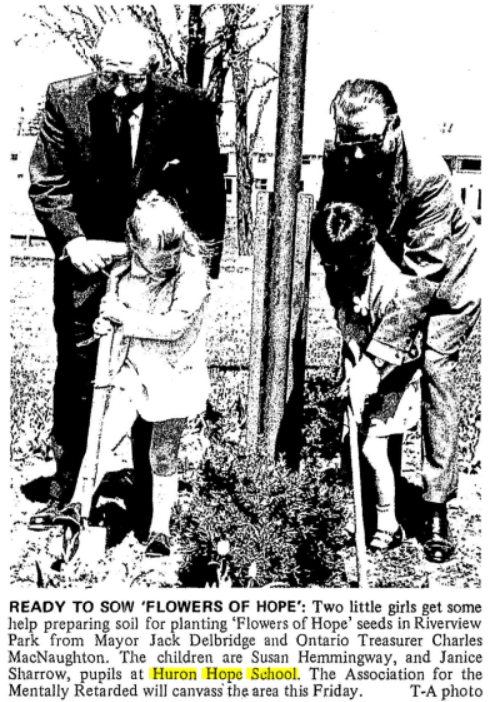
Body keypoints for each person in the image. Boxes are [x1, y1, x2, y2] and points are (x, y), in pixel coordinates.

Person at [27, 19, 226, 529]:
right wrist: (72, 241)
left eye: (132, 80)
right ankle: (70, 488)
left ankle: (143, 496)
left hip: (161, 270)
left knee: (152, 374)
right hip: (88, 262)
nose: (119, 89)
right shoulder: (64, 101)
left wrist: (198, 266)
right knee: (78, 369)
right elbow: (49, 182)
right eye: (109, 76)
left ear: (152, 71)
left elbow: (208, 193)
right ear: (96, 67)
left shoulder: (189, 108)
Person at [313, 79, 480, 563]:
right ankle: (384, 496)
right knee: (386, 375)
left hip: (447, 281)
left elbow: (421, 279)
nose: (359, 157)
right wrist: (348, 324)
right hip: (384, 276)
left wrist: (372, 361)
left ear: (394, 127)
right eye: (350, 144)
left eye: (369, 143)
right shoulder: (338, 157)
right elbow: (332, 244)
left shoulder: (427, 173)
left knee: (435, 368)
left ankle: (435, 506)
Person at [56, 192, 210, 557]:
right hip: (133, 369)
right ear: (136, 249)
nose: (165, 266)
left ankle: (160, 529)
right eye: (156, 261)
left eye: (171, 257)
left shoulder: (191, 273)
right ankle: (77, 506)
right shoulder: (126, 269)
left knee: (163, 454)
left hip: (175, 375)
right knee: (103, 437)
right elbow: (117, 317)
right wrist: (104, 324)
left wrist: (125, 318)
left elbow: (173, 327)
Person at [314, 202, 422, 550]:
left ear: (362, 252)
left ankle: (389, 523)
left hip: (397, 370)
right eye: (327, 263)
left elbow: (404, 342)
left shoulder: (389, 282)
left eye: (338, 263)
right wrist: (350, 345)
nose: (330, 269)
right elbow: (343, 310)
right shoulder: (339, 265)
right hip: (362, 360)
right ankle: (354, 517)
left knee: (374, 448)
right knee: (350, 444)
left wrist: (368, 372)